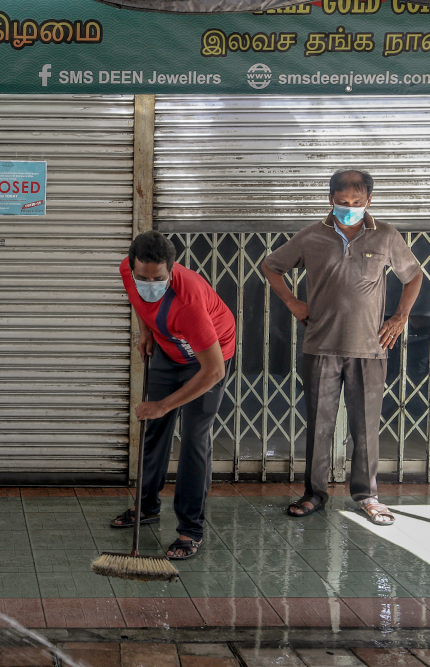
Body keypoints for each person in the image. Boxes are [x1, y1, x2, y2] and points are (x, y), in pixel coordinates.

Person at [262, 169, 422, 526]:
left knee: (365, 427)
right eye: (342, 202)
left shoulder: (386, 236)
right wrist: (293, 303)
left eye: (357, 202)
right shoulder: (311, 236)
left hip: (370, 348)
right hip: (321, 346)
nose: (349, 208)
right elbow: (271, 266)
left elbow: (413, 276)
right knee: (319, 424)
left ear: (369, 201)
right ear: (330, 198)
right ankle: (314, 494)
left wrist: (399, 317)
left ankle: (367, 495)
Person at [112, 231, 235, 560]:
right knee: (155, 431)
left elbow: (214, 372)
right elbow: (138, 299)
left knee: (195, 439)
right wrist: (146, 330)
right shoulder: (128, 271)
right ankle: (147, 507)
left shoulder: (189, 301)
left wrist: (164, 404)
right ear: (132, 266)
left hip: (209, 359)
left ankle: (190, 530)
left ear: (172, 269)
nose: (149, 283)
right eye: (143, 277)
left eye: (159, 278)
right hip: (169, 351)